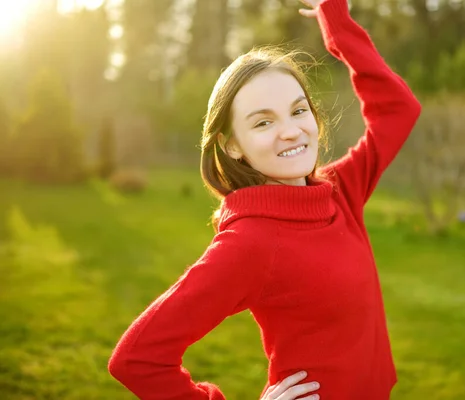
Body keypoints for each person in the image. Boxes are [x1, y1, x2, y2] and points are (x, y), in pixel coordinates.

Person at [108, 0, 421, 398]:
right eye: (263, 122)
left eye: (298, 111)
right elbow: (136, 358)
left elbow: (398, 111)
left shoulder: (340, 190)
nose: (290, 131)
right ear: (233, 145)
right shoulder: (250, 243)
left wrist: (337, 24)